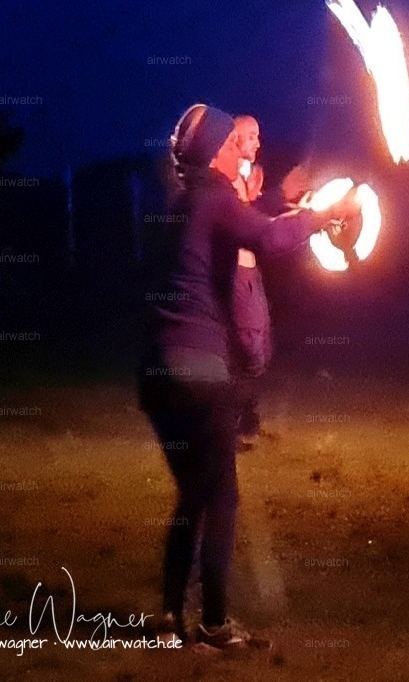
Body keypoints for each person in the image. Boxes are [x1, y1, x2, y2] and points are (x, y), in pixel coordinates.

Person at [138, 103, 359, 650]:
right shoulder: (213, 198)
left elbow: (255, 224)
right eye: (231, 140)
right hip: (199, 372)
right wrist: (323, 214)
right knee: (223, 498)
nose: (241, 147)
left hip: (155, 373)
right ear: (215, 147)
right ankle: (213, 622)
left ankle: (169, 616)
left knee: (193, 493)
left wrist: (292, 207)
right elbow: (269, 240)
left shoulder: (178, 203)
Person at [229, 115, 271, 447]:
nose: (258, 142)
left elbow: (257, 224)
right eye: (251, 136)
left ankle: (245, 416)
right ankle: (231, 423)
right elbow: (241, 224)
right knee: (247, 347)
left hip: (250, 273)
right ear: (235, 140)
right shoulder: (225, 180)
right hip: (237, 275)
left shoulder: (244, 178)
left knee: (258, 348)